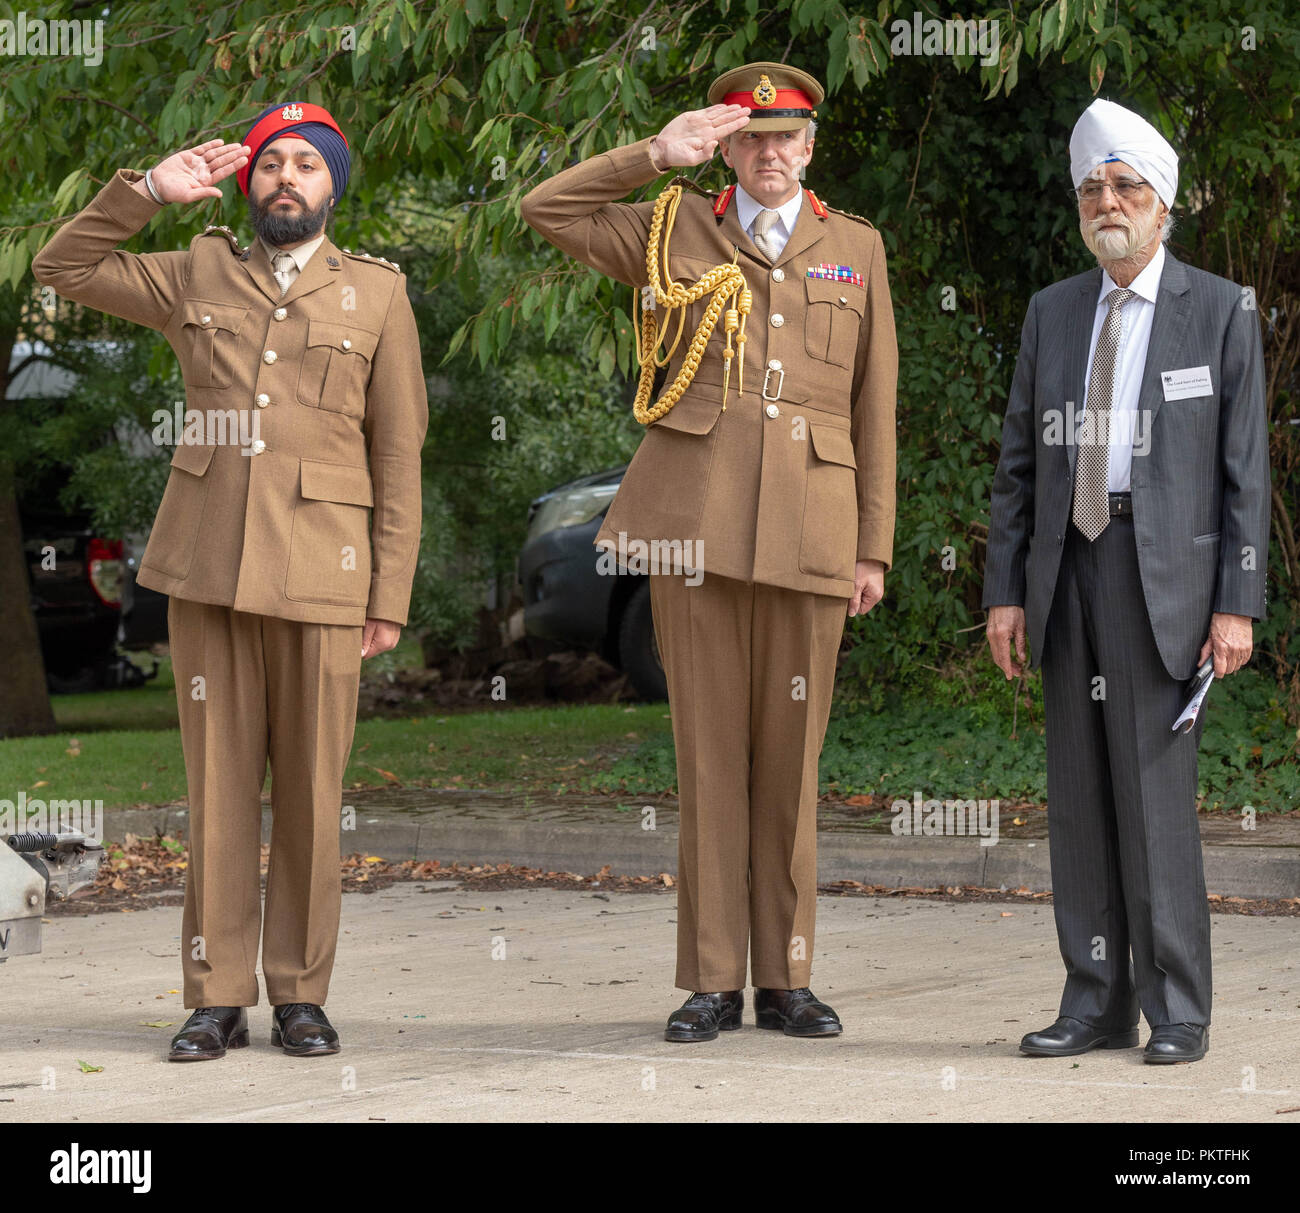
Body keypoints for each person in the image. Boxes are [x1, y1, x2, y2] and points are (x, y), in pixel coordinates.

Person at [32, 103, 428, 1061]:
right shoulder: (197, 270)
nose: (285, 177)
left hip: (327, 577)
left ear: (333, 185)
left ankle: (300, 995)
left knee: (309, 795)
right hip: (207, 571)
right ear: (247, 185)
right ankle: (215, 996)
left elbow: (400, 448)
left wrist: (388, 593)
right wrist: (145, 194)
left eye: (306, 165)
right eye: (269, 165)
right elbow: (62, 269)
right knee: (216, 795)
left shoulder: (375, 293)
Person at [521, 63, 898, 1041]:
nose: (769, 153)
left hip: (813, 535)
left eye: (786, 137)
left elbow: (874, 408)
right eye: (749, 138)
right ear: (726, 147)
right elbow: (545, 208)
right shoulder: (668, 227)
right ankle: (709, 980)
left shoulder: (855, 247)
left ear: (810, 145)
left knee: (790, 768)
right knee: (707, 764)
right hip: (693, 534)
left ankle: (788, 978)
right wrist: (655, 154)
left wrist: (873, 549)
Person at [983, 98, 1269, 1064]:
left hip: (1169, 585)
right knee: (1079, 801)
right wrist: (1004, 590)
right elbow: (1018, 463)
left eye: (1127, 186)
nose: (1109, 202)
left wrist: (1238, 601)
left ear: (1163, 204)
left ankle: (1178, 1007)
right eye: (1094, 188)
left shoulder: (1220, 310)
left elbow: (1245, 471)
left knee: (1154, 804)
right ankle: (1095, 999)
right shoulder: (1052, 311)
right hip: (1068, 575)